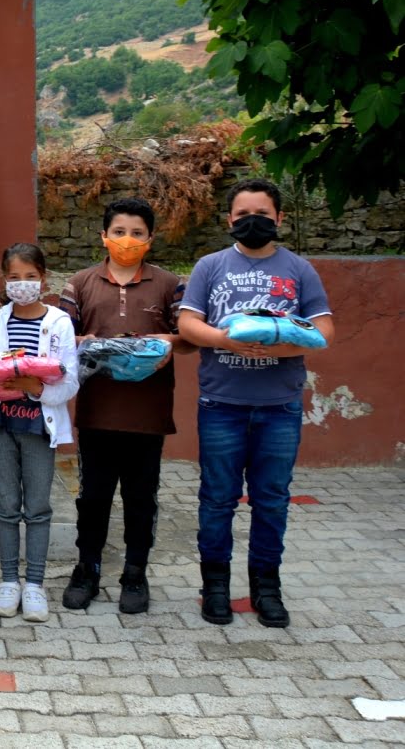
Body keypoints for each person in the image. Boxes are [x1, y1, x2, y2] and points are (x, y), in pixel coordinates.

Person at [178, 178, 334, 628]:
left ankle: (267, 589)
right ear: (229, 220)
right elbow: (189, 324)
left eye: (263, 215)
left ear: (279, 219)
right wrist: (229, 339)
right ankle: (216, 589)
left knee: (271, 500)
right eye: (244, 214)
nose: (253, 222)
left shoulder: (299, 270)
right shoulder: (211, 266)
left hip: (279, 407)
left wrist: (278, 347)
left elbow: (324, 331)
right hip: (221, 404)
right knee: (217, 499)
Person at [59, 197, 188, 615]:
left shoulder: (170, 285)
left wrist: (160, 345)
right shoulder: (79, 284)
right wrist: (93, 345)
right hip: (97, 413)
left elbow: (187, 338)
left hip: (148, 415)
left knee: (141, 498)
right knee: (92, 497)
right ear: (104, 236)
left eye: (136, 233)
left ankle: (135, 573)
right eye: (119, 232)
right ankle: (87, 570)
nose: (127, 240)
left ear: (150, 239)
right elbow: (58, 339)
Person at [0, 244, 78, 623]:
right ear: (3, 280)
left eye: (29, 276)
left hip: (40, 427)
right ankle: (8, 581)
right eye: (14, 277)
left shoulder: (59, 322)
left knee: (37, 507)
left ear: (44, 276)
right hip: (3, 426)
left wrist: (36, 388)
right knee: (6, 506)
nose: (22, 284)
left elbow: (69, 380)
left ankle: (35, 583)